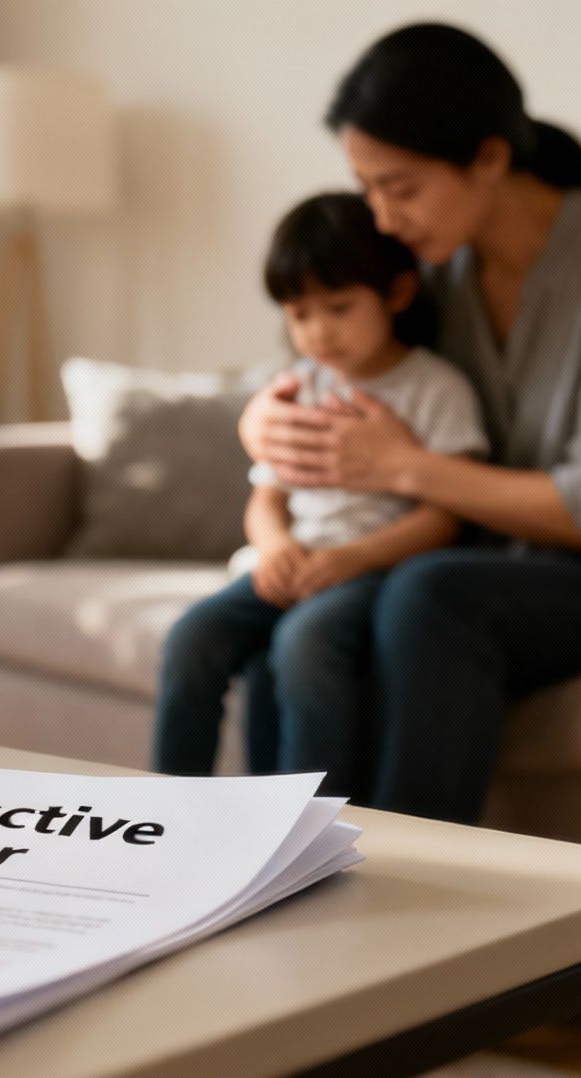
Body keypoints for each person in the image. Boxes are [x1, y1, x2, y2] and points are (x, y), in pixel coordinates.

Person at [233, 23, 581, 823]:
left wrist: (404, 469)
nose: (382, 219)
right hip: (517, 566)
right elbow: (327, 355)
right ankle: (270, 872)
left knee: (430, 596)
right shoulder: (429, 269)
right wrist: (260, 421)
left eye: (402, 187)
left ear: (489, 158)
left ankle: (408, 891)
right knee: (297, 617)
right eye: (369, 188)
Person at [152, 192, 486, 795]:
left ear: (398, 294)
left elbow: (447, 515)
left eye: (339, 307)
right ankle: (172, 813)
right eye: (300, 314)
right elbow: (268, 497)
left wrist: (351, 559)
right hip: (294, 561)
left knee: (305, 646)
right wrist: (276, 546)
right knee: (191, 639)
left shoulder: (436, 389)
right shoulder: (297, 389)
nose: (319, 331)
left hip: (372, 571)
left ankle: (305, 833)